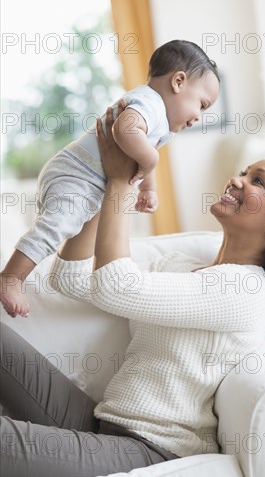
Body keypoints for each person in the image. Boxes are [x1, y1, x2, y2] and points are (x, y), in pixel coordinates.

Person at [0, 105, 265, 477]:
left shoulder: (248, 291)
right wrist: (104, 180)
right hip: (102, 422)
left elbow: (115, 284)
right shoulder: (185, 263)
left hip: (149, 449)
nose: (237, 181)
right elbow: (70, 281)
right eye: (243, 172)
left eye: (258, 181)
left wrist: (124, 183)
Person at [0, 40, 220, 319]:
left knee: (59, 229)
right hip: (77, 173)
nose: (198, 117)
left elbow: (143, 153)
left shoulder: (160, 121)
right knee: (54, 227)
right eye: (201, 104)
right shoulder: (149, 102)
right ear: (178, 81)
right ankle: (11, 276)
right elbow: (124, 130)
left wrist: (148, 188)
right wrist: (151, 160)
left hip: (88, 181)